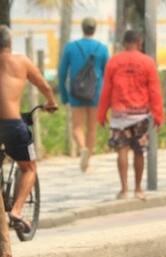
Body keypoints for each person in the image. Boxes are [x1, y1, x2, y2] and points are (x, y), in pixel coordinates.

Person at [0, 25, 58, 257]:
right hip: (12, 124)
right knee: (29, 167)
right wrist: (50, 103)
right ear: (10, 43)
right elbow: (45, 87)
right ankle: (17, 211)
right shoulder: (21, 61)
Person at [97, 30, 165, 201]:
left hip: (119, 114)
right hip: (140, 115)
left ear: (123, 43)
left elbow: (106, 90)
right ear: (139, 42)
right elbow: (154, 90)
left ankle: (124, 189)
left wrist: (101, 113)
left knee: (122, 150)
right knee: (139, 151)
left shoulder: (114, 62)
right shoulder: (147, 62)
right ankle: (138, 189)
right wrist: (158, 115)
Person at [58, 17, 109, 172]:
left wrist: (64, 95)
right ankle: (88, 163)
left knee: (77, 127)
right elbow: (108, 74)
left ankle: (82, 149)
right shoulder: (103, 48)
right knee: (92, 128)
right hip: (95, 93)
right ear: (94, 29)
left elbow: (61, 73)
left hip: (76, 92)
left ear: (82, 28)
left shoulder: (71, 47)